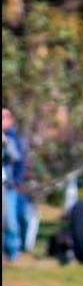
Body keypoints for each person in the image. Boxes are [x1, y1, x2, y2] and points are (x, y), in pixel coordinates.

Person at [3, 108, 30, 261]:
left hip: (9, 186)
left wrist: (5, 144)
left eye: (4, 117)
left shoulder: (13, 138)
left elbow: (18, 159)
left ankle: (13, 252)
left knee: (13, 220)